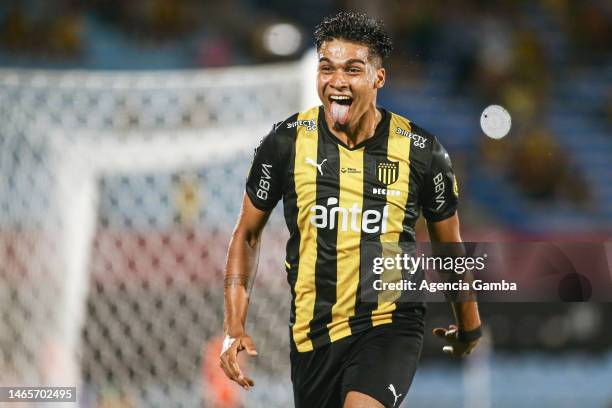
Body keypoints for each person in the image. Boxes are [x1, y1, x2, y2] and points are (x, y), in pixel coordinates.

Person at [220, 11, 481, 408]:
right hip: (312, 335)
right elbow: (248, 234)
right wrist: (233, 325)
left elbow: (450, 248)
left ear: (379, 78)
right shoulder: (286, 143)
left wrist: (470, 325)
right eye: (327, 68)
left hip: (390, 323)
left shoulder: (422, 151)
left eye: (352, 70)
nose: (337, 81)